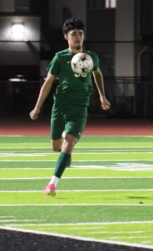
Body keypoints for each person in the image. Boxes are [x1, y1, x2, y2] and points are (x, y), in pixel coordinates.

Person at [30, 17, 111, 197]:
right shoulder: (60, 57)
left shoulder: (91, 57)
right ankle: (65, 152)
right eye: (73, 34)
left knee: (69, 142)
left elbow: (97, 74)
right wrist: (37, 107)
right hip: (61, 105)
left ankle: (52, 184)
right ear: (66, 37)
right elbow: (48, 82)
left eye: (80, 34)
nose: (78, 37)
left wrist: (102, 96)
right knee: (55, 146)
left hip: (80, 106)